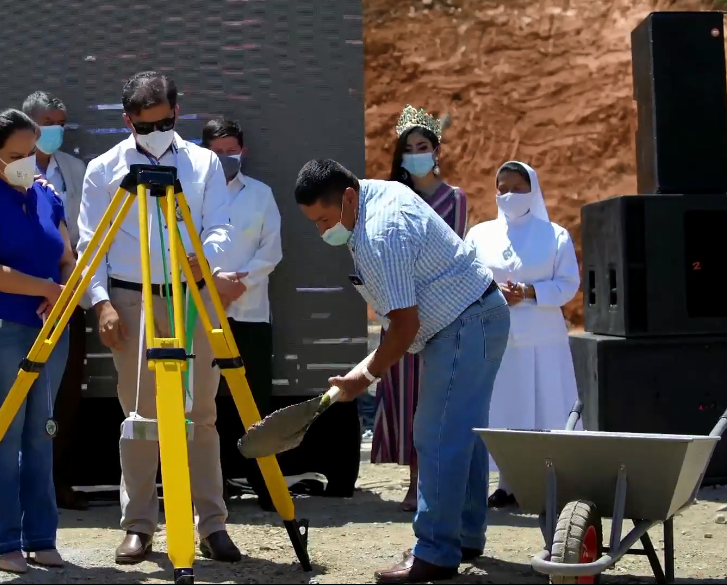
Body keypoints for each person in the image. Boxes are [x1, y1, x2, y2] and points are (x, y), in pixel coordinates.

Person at [294, 159, 509, 584]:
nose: (321, 231)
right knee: (462, 432)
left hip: (463, 326)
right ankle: (463, 535)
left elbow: (404, 325)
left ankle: (434, 552)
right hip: (478, 317)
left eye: (323, 219)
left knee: (438, 435)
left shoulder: (381, 234)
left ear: (348, 198)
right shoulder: (376, 194)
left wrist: (362, 377)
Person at [79, 71, 248, 564]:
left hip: (191, 297)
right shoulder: (104, 168)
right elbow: (91, 244)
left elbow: (220, 225)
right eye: (145, 124)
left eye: (165, 120)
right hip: (132, 301)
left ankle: (211, 523)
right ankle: (138, 526)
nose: (156, 130)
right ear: (127, 119)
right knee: (139, 416)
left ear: (178, 110)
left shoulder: (204, 164)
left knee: (203, 415)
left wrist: (207, 257)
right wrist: (102, 303)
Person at [0, 108, 75, 573]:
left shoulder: (47, 195)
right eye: (15, 156)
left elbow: (67, 257)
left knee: (41, 429)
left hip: (48, 327)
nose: (27, 163)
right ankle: (4, 541)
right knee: (4, 432)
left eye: (32, 155)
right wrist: (46, 289)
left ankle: (42, 536)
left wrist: (59, 293)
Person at [464, 161, 580, 509]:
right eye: (503, 187)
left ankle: (553, 481)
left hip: (543, 339)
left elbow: (568, 285)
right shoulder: (479, 235)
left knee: (547, 405)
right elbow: (466, 278)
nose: (509, 194)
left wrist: (529, 292)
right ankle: (507, 483)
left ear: (533, 190)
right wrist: (495, 292)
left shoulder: (555, 235)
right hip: (496, 336)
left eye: (518, 187)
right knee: (504, 408)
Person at [373, 105, 467, 514]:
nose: (415, 153)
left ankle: (432, 485)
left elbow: (455, 249)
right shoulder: (393, 195)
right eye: (408, 147)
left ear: (435, 150)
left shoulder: (454, 199)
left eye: (422, 146)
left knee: (434, 401)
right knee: (406, 399)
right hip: (399, 309)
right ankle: (413, 483)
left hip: (439, 313)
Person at [200, 117, 282, 512]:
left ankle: (265, 485)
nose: (225, 157)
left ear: (242, 151)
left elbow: (271, 251)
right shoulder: (193, 194)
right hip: (203, 309)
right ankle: (211, 486)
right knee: (203, 401)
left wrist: (238, 283)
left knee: (254, 402)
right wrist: (216, 283)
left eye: (230, 150)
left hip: (250, 311)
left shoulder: (261, 195)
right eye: (216, 152)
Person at [21, 90, 90, 511]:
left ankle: (58, 482)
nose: (57, 130)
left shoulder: (76, 169)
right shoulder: (10, 168)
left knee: (65, 391)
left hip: (70, 293)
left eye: (61, 122)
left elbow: (92, 227)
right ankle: (22, 483)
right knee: (22, 389)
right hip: (23, 292)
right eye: (49, 122)